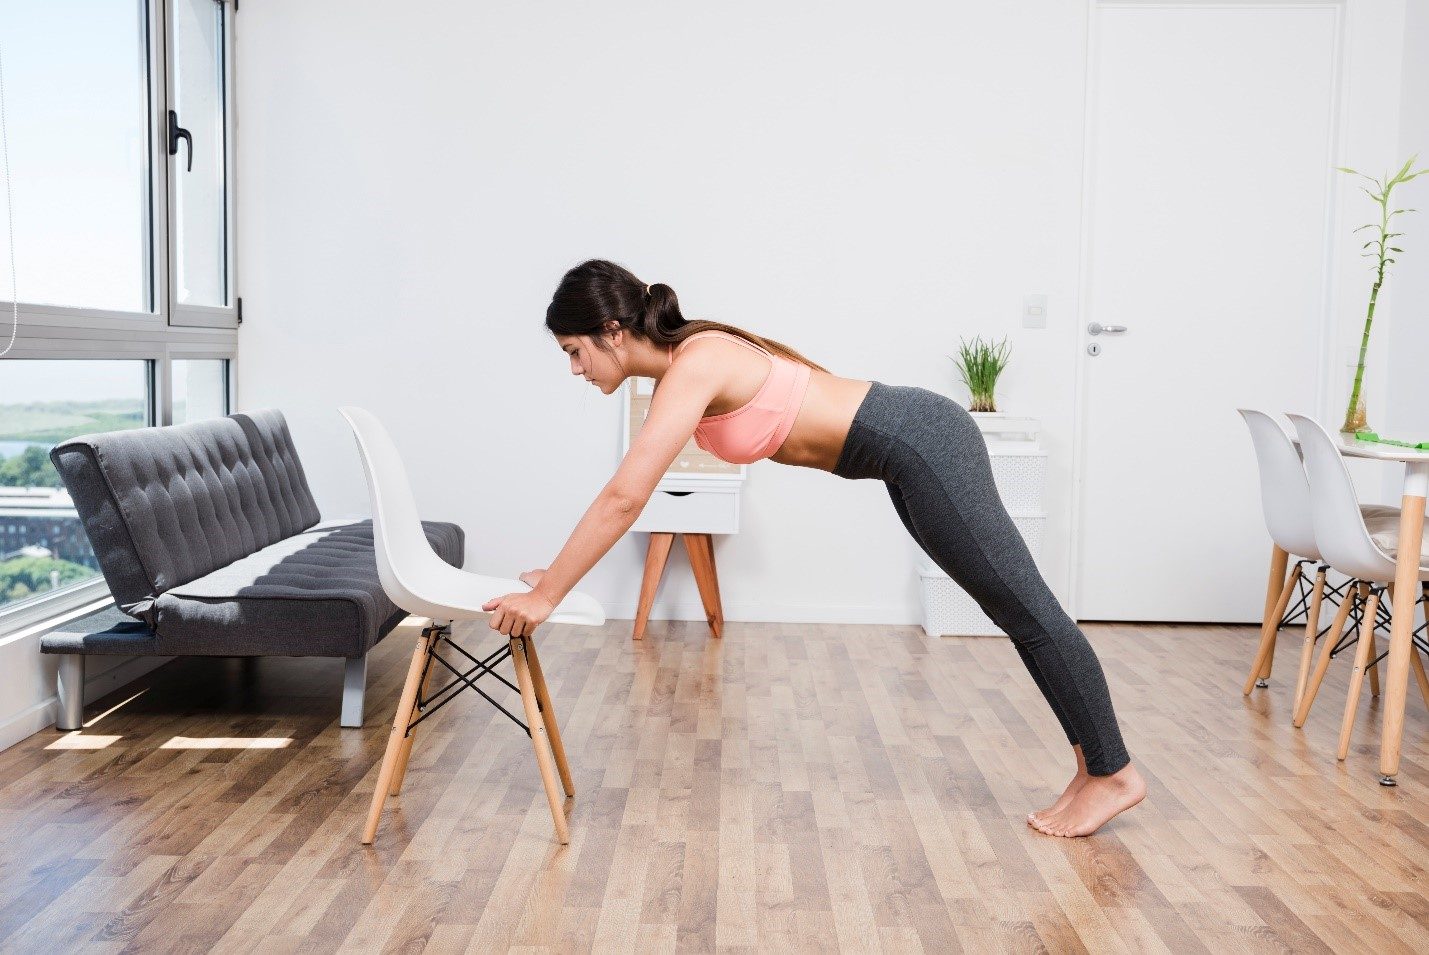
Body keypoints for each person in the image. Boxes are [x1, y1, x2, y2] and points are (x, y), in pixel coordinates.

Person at [482, 258, 1146, 838]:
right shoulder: (684, 369)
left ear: (612, 332)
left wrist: (546, 595)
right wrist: (557, 578)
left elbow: (623, 495)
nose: (574, 368)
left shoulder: (697, 361)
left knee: (1026, 608)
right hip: (905, 454)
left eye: (574, 350)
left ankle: (1112, 771)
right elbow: (633, 494)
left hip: (921, 441)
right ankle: (1093, 765)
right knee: (1014, 611)